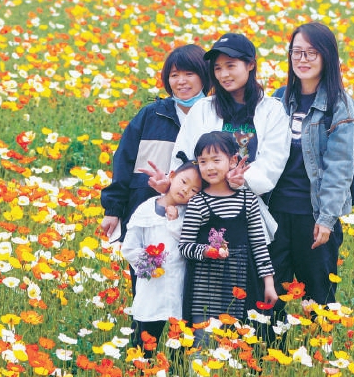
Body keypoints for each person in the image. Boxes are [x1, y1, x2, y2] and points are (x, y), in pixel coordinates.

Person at [268, 22, 354, 308]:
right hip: (273, 213)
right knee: (269, 295)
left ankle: (319, 351)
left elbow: (340, 168)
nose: (302, 60)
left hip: (313, 216)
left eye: (311, 53)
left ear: (327, 57)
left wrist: (326, 219)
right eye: (297, 52)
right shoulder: (278, 100)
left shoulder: (339, 104)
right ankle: (270, 351)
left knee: (318, 300)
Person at [158, 34, 289, 203]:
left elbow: (273, 163)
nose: (223, 74)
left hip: (250, 205)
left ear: (250, 65)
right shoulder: (203, 108)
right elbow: (183, 158)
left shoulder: (273, 110)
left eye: (230, 66)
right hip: (202, 205)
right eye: (218, 68)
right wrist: (170, 197)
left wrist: (240, 179)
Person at [100, 44, 210, 246]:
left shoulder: (214, 115)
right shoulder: (152, 115)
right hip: (147, 212)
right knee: (144, 272)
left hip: (196, 217)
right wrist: (113, 210)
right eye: (174, 75)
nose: (181, 81)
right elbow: (124, 160)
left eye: (189, 74)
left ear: (204, 75)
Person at [175, 132, 279, 336]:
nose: (210, 167)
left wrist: (268, 283)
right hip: (204, 290)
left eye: (216, 160)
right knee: (202, 346)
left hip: (242, 281)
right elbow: (185, 246)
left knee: (240, 346)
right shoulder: (198, 202)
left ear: (233, 161)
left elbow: (259, 244)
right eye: (203, 161)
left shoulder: (247, 199)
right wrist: (207, 251)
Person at [120, 161, 203, 358]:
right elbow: (130, 247)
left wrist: (174, 221)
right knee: (145, 341)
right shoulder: (146, 209)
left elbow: (189, 245)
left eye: (194, 190)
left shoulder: (190, 215)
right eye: (183, 182)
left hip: (179, 288)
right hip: (152, 285)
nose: (185, 190)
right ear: (172, 176)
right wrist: (150, 262)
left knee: (178, 345)